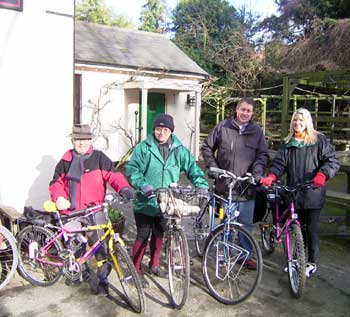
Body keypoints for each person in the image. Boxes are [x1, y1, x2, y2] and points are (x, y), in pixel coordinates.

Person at [49, 124, 134, 296]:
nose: (81, 143)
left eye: (85, 139)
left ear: (91, 140)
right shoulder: (65, 161)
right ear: (72, 141)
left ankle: (103, 281)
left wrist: (124, 188)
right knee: (75, 244)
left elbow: (114, 175)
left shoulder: (99, 158)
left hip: (94, 210)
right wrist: (58, 198)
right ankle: (82, 271)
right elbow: (55, 183)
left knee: (100, 246)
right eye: (78, 139)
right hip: (71, 212)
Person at [125, 113, 209, 288]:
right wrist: (143, 185)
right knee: (143, 233)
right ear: (153, 129)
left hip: (168, 200)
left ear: (171, 131)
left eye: (165, 130)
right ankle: (136, 270)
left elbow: (192, 168)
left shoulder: (179, 150)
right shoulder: (144, 148)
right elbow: (132, 169)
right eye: (158, 129)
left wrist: (201, 184)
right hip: (146, 201)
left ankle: (154, 265)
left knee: (159, 232)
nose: (161, 133)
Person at [260, 108, 340, 277]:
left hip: (313, 192)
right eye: (295, 120)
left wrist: (322, 174)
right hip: (294, 193)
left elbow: (332, 160)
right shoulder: (288, 142)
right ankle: (295, 260)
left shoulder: (318, 140)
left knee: (310, 230)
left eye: (301, 120)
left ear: (307, 122)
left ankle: (311, 262)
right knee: (295, 229)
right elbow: (280, 163)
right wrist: (273, 175)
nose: (297, 123)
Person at [201, 97, 269, 269]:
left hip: (247, 186)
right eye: (242, 109)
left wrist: (257, 173)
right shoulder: (223, 127)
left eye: (249, 111)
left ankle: (245, 255)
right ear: (237, 110)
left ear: (252, 113)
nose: (245, 113)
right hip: (225, 185)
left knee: (245, 223)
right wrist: (214, 168)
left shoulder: (257, 132)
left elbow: (263, 155)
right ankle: (225, 254)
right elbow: (207, 147)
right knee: (226, 223)